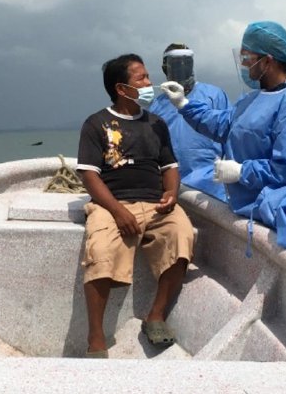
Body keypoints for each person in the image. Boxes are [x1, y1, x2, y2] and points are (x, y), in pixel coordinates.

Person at [160, 21, 286, 254]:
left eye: (247, 58)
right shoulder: (251, 100)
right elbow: (222, 125)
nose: (244, 65)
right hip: (258, 211)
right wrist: (184, 104)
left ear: (268, 60)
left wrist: (241, 171)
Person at [76, 54, 195, 358]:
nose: (149, 83)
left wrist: (172, 192)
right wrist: (117, 210)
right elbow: (89, 175)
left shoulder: (157, 123)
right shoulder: (95, 124)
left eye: (147, 77)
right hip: (111, 204)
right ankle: (96, 339)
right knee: (100, 250)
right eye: (141, 78)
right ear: (121, 88)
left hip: (156, 203)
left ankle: (155, 316)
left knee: (182, 234)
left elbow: (169, 166)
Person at [148, 43, 233, 203]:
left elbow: (231, 134)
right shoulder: (157, 105)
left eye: (186, 63)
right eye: (176, 65)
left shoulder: (214, 95)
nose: (182, 69)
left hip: (211, 185)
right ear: (165, 68)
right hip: (172, 186)